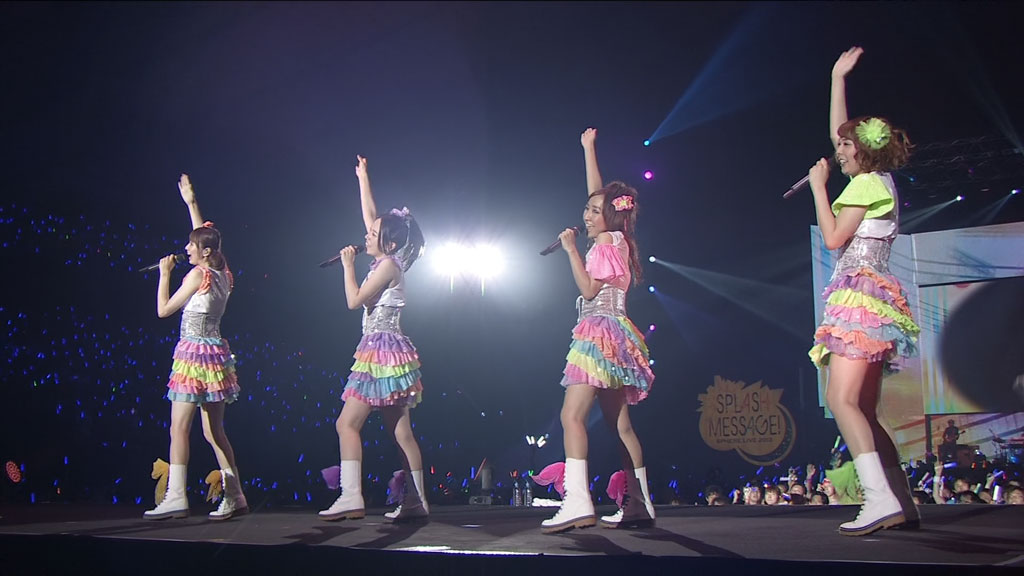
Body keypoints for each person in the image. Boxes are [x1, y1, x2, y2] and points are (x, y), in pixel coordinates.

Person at [807, 46, 921, 536]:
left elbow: (834, 238)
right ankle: (903, 503)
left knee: (841, 400)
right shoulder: (881, 181)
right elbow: (840, 131)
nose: (839, 152)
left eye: (845, 148)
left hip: (858, 302)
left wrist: (819, 187)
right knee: (865, 410)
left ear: (862, 151)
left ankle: (878, 500)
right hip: (872, 301)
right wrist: (837, 79)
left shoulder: (863, 186)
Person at [541, 128, 656, 533]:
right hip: (617, 335)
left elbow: (589, 289)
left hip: (597, 333)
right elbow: (599, 194)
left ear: (608, 215)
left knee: (571, 415)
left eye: (593, 211)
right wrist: (589, 149)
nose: (586, 215)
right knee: (619, 424)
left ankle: (577, 502)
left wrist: (571, 251)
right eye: (586, 209)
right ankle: (639, 504)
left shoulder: (604, 242)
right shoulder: (618, 238)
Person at [318, 155, 428, 523]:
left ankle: (351, 496)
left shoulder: (387, 266)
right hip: (387, 350)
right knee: (401, 432)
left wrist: (348, 267)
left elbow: (354, 301)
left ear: (390, 243)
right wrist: (363, 178)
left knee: (347, 424)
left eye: (373, 232)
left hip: (381, 351)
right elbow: (371, 217)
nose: (366, 234)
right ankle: (416, 501)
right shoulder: (388, 259)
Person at [144, 174, 247, 521]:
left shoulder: (197, 275)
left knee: (179, 428)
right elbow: (204, 235)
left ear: (205, 252)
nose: (186, 249)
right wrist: (191, 202)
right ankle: (235, 495)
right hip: (214, 355)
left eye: (191, 246)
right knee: (214, 431)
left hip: (193, 356)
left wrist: (164, 274)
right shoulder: (223, 273)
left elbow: (163, 310)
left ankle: (176, 497)